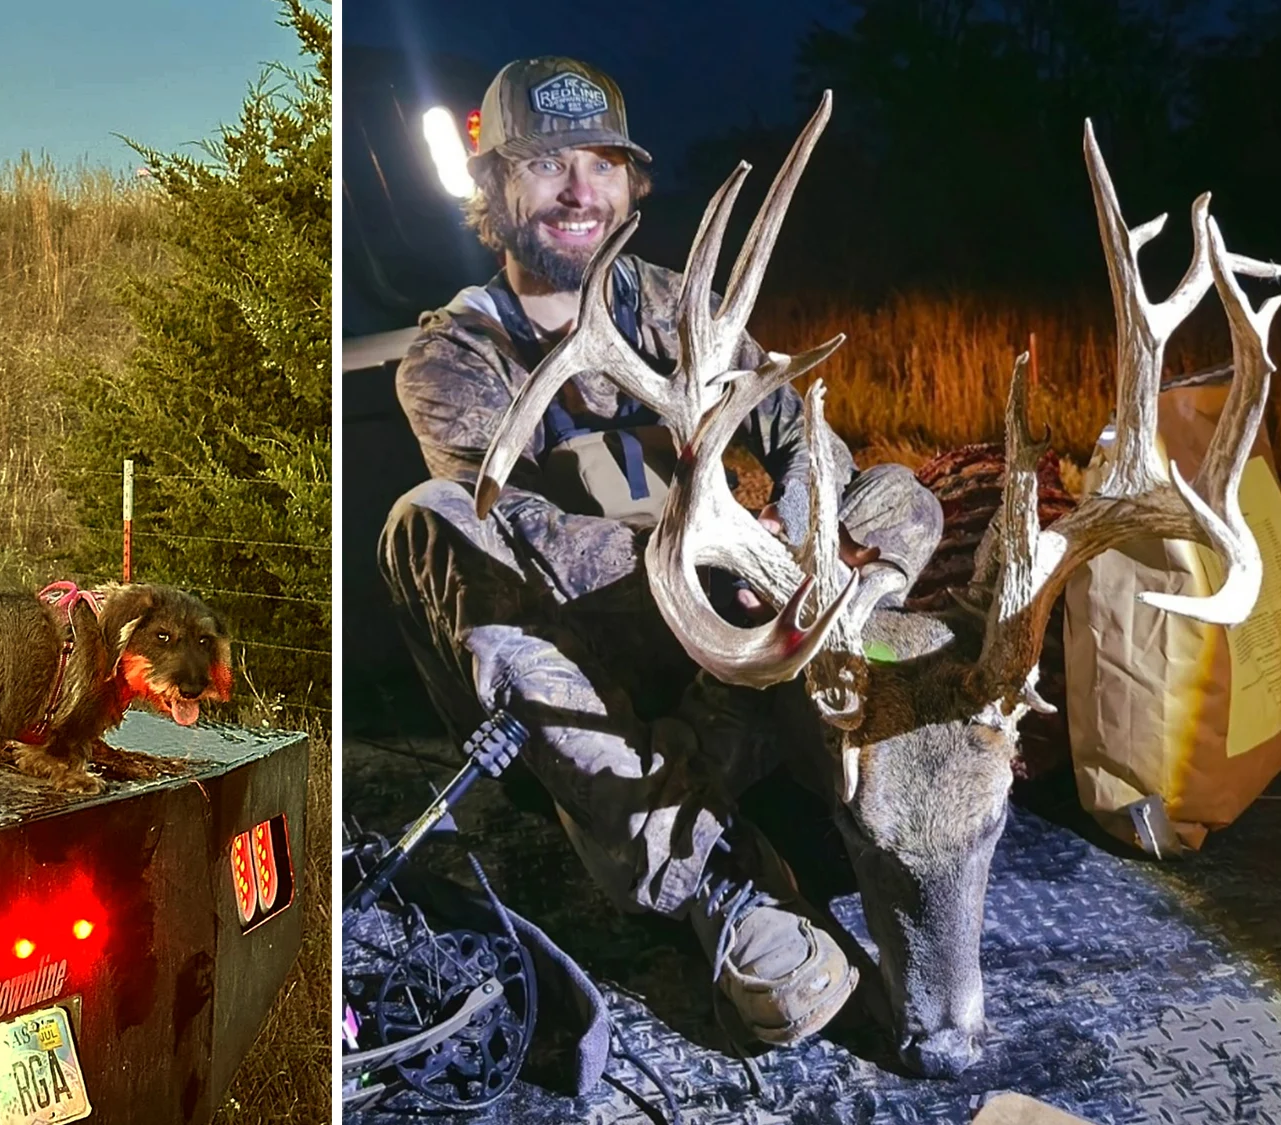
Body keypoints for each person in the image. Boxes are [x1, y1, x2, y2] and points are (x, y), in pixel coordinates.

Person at [378, 57, 944, 1049]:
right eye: (543, 164)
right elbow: (517, 532)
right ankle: (714, 881)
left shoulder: (679, 306)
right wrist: (706, 560)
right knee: (427, 519)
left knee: (892, 495)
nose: (575, 189)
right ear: (495, 190)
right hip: (575, 682)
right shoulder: (454, 353)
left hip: (730, 640)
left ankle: (880, 752)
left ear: (630, 186)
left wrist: (805, 534)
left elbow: (800, 434)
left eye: (599, 164)